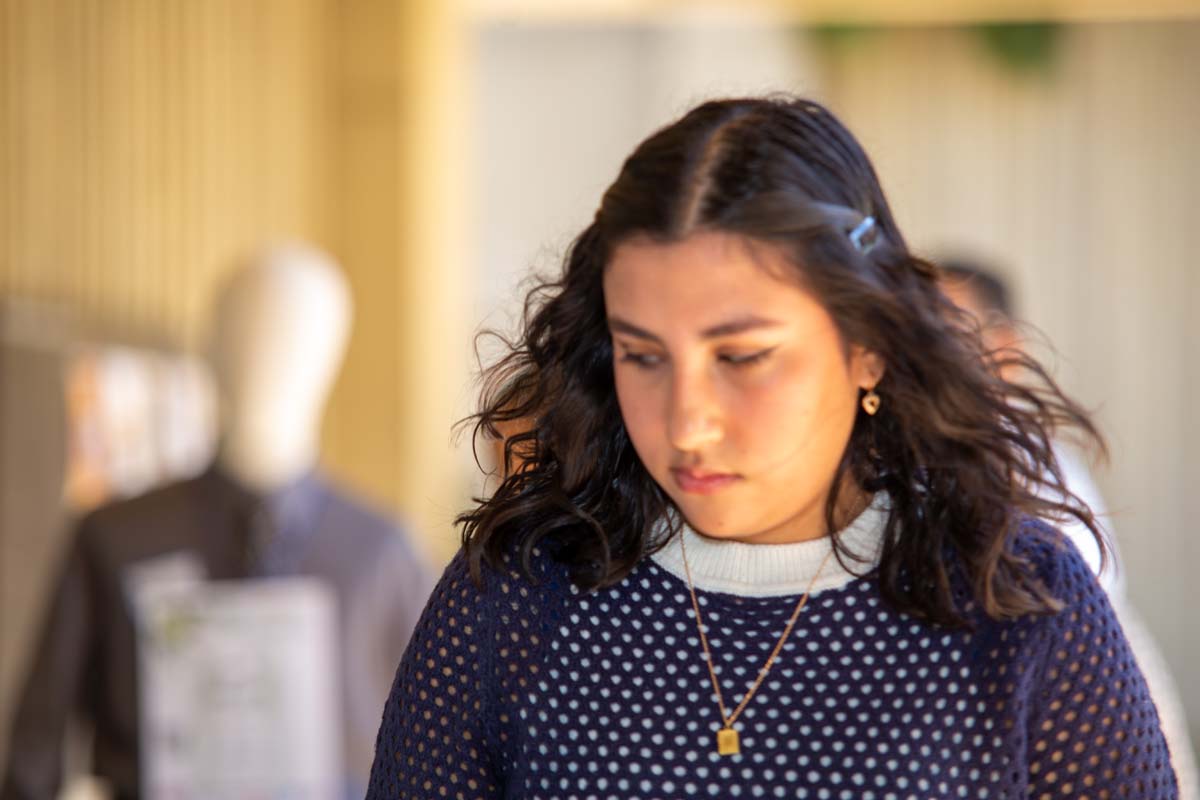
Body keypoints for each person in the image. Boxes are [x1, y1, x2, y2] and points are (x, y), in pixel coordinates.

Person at [367, 97, 1179, 797]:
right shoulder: (516, 599)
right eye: (641, 355)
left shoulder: (1018, 604)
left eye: (742, 357)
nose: (688, 424)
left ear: (869, 345)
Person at [2, 244, 436, 800]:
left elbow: (444, 748)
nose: (269, 357)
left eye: (295, 339)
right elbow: (35, 750)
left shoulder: (384, 555)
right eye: (247, 332)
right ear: (210, 347)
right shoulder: (113, 538)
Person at [940, 258, 1199, 799]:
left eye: (947, 328)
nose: (922, 349)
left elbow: (1067, 625)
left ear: (1006, 347)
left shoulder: (1033, 470)